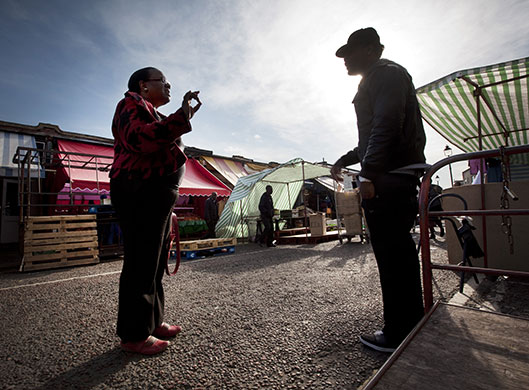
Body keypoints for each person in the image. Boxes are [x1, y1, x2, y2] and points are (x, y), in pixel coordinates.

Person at [331, 28, 426, 353]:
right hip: (392, 174)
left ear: (372, 50)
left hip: (390, 177)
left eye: (350, 53)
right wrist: (347, 159)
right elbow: (372, 136)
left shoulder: (385, 75)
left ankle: (398, 331)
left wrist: (369, 173)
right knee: (397, 253)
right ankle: (411, 322)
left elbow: (387, 123)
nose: (345, 60)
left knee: (392, 255)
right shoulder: (381, 77)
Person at [110, 67, 201, 355]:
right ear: (144, 86)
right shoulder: (130, 104)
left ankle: (152, 321)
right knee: (141, 260)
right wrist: (181, 116)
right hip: (139, 190)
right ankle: (134, 334)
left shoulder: (150, 110)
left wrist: (181, 115)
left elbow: (160, 135)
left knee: (156, 259)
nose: (169, 85)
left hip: (156, 193)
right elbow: (142, 138)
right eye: (163, 81)